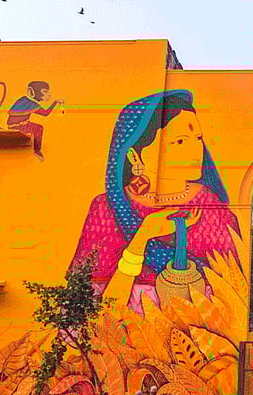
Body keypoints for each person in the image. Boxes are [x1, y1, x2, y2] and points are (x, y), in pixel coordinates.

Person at [69, 90, 240, 313]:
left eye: (198, 138)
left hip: (197, 327)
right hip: (124, 327)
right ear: (134, 155)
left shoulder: (210, 206)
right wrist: (143, 236)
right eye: (180, 141)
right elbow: (89, 305)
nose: (195, 149)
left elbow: (232, 291)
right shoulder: (108, 208)